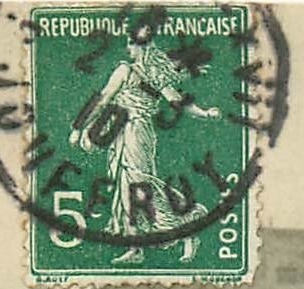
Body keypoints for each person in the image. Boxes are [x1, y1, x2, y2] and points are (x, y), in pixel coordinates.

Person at [68, 30, 221, 264]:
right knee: (126, 187)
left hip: (137, 133)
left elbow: (176, 102)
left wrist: (205, 113)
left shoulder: (134, 72)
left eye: (132, 44)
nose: (129, 48)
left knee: (138, 186)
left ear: (143, 47)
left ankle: (185, 226)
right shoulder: (141, 72)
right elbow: (102, 101)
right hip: (121, 134)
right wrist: (80, 127)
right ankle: (136, 244)